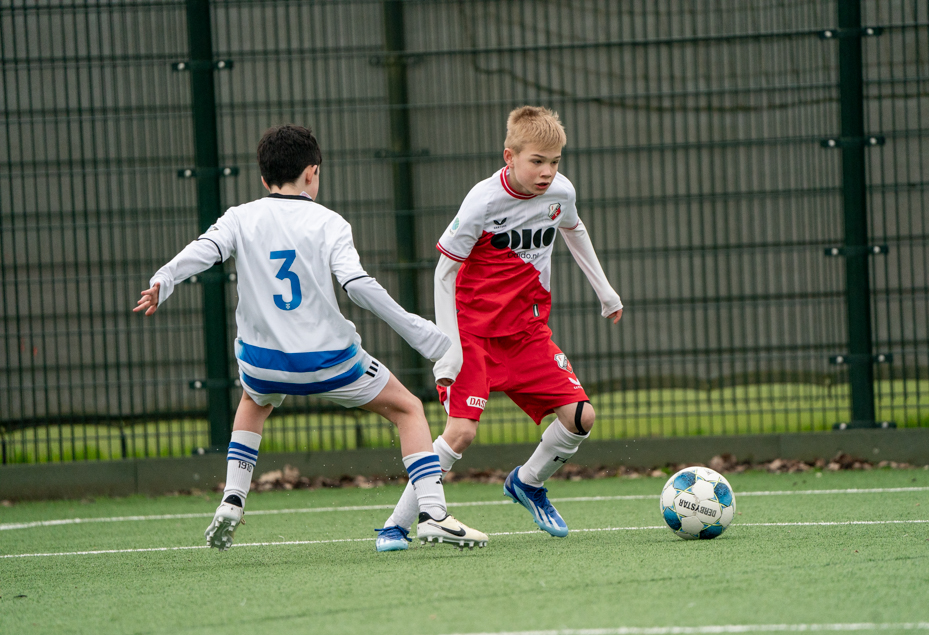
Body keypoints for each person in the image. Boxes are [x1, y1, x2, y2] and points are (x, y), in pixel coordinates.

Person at [134, 124, 487, 551]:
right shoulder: (330, 223)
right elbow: (356, 285)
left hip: (264, 364)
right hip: (331, 363)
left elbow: (202, 250)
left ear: (265, 179)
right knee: (409, 410)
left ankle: (232, 498)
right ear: (312, 173)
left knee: (253, 400)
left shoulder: (240, 217)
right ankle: (433, 514)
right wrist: (419, 331)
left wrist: (162, 281)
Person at [375, 106, 623, 552]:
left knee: (581, 417)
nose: (547, 172)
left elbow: (574, 229)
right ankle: (396, 525)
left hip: (527, 333)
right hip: (474, 335)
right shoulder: (483, 201)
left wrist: (605, 292)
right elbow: (443, 273)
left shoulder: (560, 193)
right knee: (461, 434)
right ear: (509, 155)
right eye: (537, 161)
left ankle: (527, 483)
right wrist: (449, 348)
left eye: (555, 161)